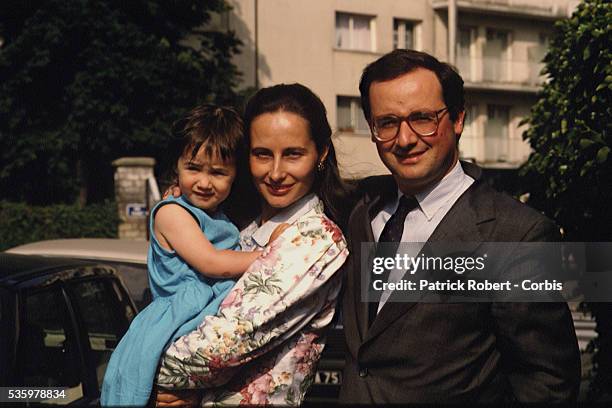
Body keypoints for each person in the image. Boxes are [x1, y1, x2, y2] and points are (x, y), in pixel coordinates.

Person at [339, 49, 581, 404]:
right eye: (387, 122)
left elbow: (549, 381)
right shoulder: (362, 208)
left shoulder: (516, 235)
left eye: (422, 118)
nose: (405, 140)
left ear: (457, 119)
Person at [153, 83, 350, 405]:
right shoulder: (235, 223)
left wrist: (138, 367)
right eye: (262, 154)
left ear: (321, 154)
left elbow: (220, 347)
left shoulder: (316, 241)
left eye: (292, 154)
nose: (275, 172)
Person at [101, 105, 283, 406]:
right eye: (193, 168)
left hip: (203, 308)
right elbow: (211, 262)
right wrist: (269, 254)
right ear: (178, 165)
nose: (203, 182)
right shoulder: (172, 212)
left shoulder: (217, 214)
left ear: (235, 175)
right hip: (180, 313)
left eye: (218, 172)